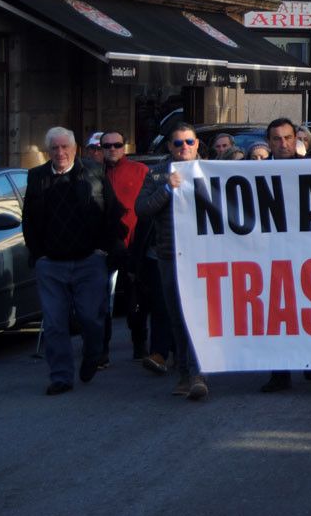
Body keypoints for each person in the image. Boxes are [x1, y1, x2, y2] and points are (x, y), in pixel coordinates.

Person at [23, 127, 125, 395]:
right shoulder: (37, 177)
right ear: (48, 152)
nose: (60, 153)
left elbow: (112, 213)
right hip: (51, 264)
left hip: (89, 261)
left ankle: (93, 355)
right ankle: (61, 377)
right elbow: (28, 222)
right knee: (55, 324)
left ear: (74, 149)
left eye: (64, 147)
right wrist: (39, 254)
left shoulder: (93, 172)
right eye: (54, 148)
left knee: (91, 318)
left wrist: (104, 250)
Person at [134, 124, 209, 401]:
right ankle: (184, 373)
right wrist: (167, 188)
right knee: (177, 315)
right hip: (170, 255)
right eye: (178, 143)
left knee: (200, 316)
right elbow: (141, 209)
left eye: (189, 141)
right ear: (169, 147)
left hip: (204, 255)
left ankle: (198, 373)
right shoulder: (156, 174)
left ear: (198, 144)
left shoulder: (211, 170)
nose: (184, 147)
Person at [259, 118, 311, 393]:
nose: (282, 144)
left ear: (296, 138)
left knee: (308, 308)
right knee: (277, 313)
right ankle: (279, 372)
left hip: (308, 252)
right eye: (276, 139)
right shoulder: (255, 173)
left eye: (287, 138)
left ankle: (310, 358)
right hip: (274, 253)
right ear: (269, 142)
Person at [99, 130, 149, 364]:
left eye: (117, 145)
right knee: (101, 302)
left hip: (133, 245)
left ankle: (139, 344)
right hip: (105, 247)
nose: (112, 149)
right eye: (107, 146)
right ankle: (102, 349)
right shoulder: (94, 174)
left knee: (135, 300)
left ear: (124, 147)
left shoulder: (139, 171)